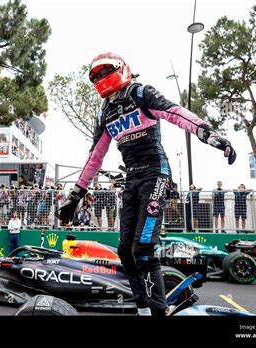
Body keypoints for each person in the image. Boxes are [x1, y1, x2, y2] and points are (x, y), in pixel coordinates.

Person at [58, 52, 236, 316]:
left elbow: (176, 113)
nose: (101, 79)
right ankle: (142, 311)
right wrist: (75, 196)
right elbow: (95, 156)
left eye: (105, 72)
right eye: (96, 76)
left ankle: (157, 311)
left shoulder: (140, 93)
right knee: (125, 251)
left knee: (142, 248)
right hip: (132, 178)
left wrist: (208, 133)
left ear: (121, 69)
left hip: (156, 172)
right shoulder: (105, 112)